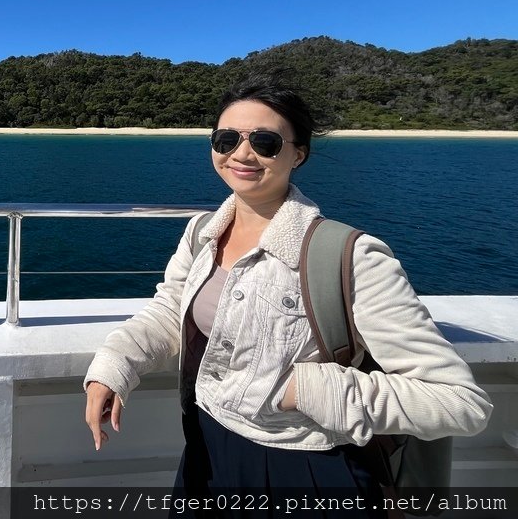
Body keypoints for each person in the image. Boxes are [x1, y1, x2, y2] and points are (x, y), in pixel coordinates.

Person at [83, 75, 492, 515]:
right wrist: (115, 365)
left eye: (265, 141)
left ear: (298, 153)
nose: (242, 153)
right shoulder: (203, 232)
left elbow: (460, 402)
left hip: (307, 467)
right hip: (207, 444)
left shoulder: (350, 256)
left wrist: (309, 388)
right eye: (226, 139)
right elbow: (170, 310)